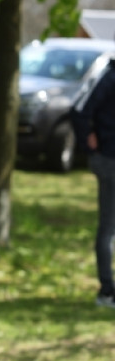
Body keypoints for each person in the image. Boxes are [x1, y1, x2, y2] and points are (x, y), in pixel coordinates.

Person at [71, 53, 115, 307]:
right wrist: (88, 139)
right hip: (109, 160)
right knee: (108, 228)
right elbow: (79, 110)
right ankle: (106, 291)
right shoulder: (107, 76)